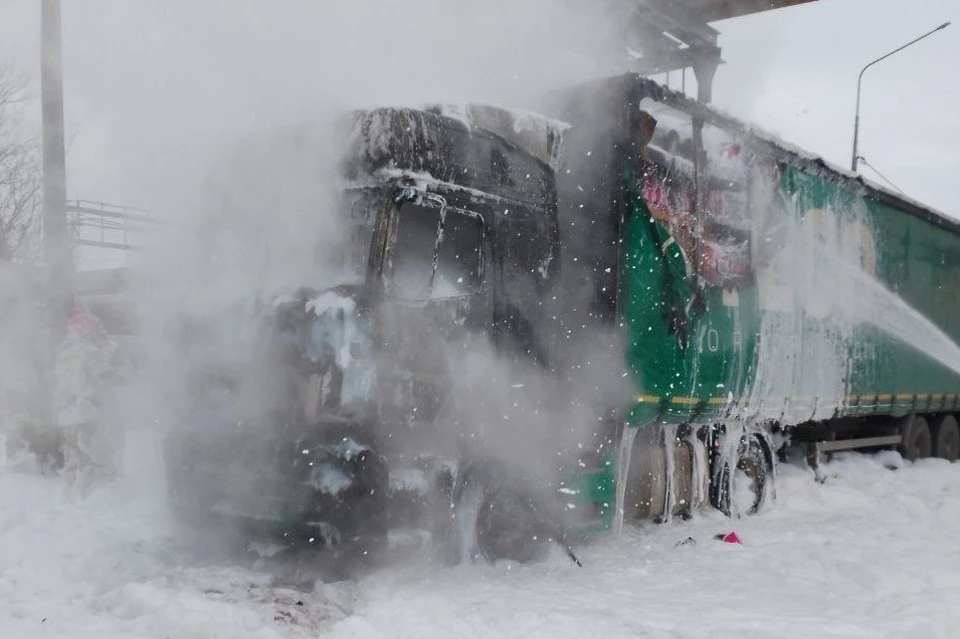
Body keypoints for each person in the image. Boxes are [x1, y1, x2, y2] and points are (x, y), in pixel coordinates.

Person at [53, 309, 127, 487]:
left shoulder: (63, 354)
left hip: (66, 415)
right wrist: (127, 380)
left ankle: (68, 498)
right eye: (94, 328)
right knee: (94, 460)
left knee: (73, 461)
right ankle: (93, 499)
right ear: (86, 330)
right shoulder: (89, 351)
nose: (98, 332)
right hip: (88, 413)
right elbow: (107, 377)